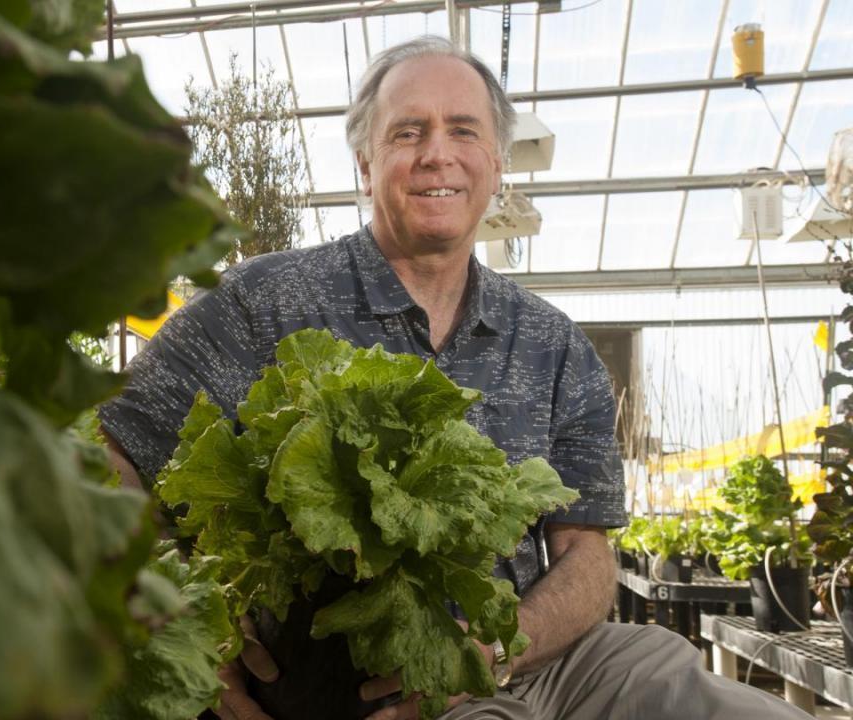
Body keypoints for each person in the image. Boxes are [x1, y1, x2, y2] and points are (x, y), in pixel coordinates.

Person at [99, 35, 811, 720]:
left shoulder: (553, 344)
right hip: (358, 681)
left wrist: (494, 651)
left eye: (464, 131)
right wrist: (181, 622)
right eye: (408, 132)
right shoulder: (266, 303)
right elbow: (110, 458)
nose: (437, 153)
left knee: (684, 680)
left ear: (497, 165)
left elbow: (587, 556)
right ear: (365, 164)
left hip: (535, 657)